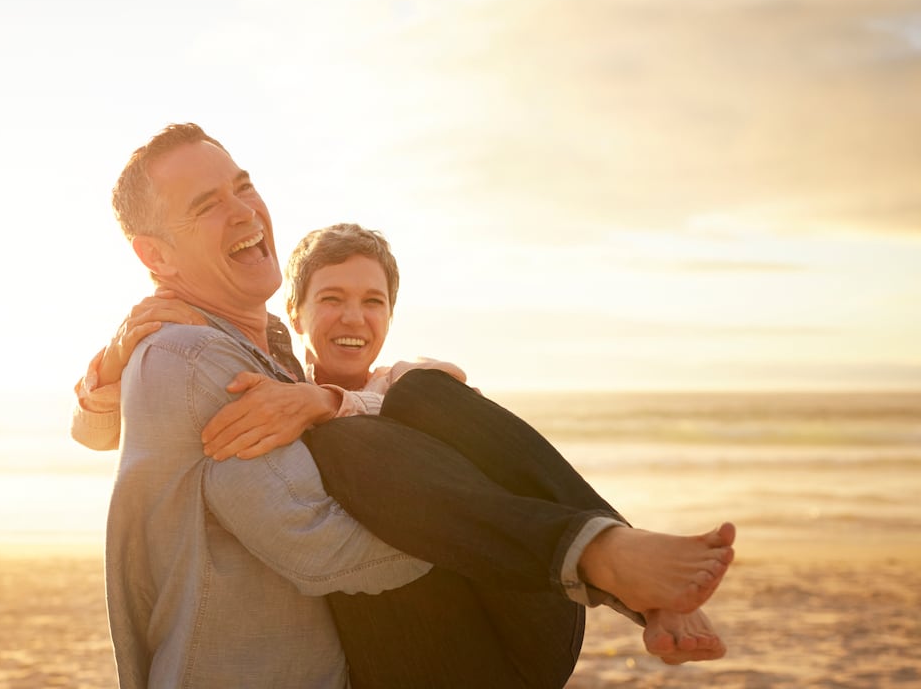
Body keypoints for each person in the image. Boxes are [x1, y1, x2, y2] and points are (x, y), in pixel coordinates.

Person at [80, 123, 733, 688]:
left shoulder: (305, 363)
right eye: (206, 204)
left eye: (243, 185)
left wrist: (332, 400)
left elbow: (130, 426)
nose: (243, 210)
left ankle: (620, 562)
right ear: (156, 256)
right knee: (350, 438)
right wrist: (485, 527)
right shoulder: (194, 356)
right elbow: (316, 544)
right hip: (358, 658)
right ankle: (605, 558)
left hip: (467, 636)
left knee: (409, 398)